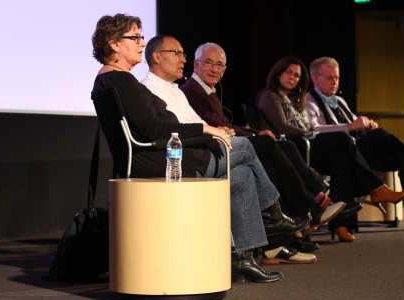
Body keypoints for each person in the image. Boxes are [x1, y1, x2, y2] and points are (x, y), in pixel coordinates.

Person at [90, 14, 307, 283]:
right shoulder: (120, 81)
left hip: (166, 153)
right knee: (247, 148)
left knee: (242, 177)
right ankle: (273, 216)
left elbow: (156, 123)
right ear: (113, 44)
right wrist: (205, 129)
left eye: (141, 36)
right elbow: (153, 129)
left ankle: (242, 259)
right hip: (164, 160)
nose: (142, 43)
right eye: (135, 37)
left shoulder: (116, 80)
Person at [141, 36, 343, 264]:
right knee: (259, 146)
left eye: (219, 65)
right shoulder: (154, 90)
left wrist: (220, 131)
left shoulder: (178, 91)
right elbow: (176, 129)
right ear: (157, 57)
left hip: (204, 149)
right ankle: (280, 215)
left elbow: (206, 124)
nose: (182, 59)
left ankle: (246, 258)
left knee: (247, 171)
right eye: (177, 53)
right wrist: (217, 132)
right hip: (189, 158)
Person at [257, 56, 404, 242]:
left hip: (305, 144)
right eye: (288, 72)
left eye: (297, 75)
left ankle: (341, 223)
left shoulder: (295, 99)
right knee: (342, 139)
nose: (293, 78)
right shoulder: (270, 96)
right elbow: (283, 128)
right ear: (278, 73)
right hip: (296, 148)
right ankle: (376, 188)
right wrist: (310, 132)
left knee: (341, 157)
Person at [306, 56, 404, 231]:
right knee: (382, 136)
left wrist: (366, 127)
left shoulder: (339, 101)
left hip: (358, 154)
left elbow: (357, 126)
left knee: (402, 157)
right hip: (336, 156)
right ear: (315, 79)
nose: (335, 82)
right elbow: (315, 131)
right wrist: (350, 126)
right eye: (329, 78)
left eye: (337, 77)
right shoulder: (308, 101)